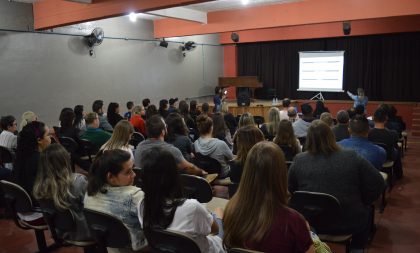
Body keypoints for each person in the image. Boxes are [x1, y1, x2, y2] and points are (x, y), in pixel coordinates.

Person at [288, 120, 384, 251]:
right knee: (366, 213)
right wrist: (364, 201)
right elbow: (378, 182)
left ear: (309, 139)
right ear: (331, 136)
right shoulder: (351, 156)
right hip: (349, 222)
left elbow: (292, 190)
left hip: (312, 222)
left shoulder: (299, 160)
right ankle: (357, 248)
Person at [224, 141, 315, 253]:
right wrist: (304, 230)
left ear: (247, 171)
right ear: (281, 173)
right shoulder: (293, 221)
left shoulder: (230, 210)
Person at [138, 147, 225, 253]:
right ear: (174, 174)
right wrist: (218, 218)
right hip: (208, 249)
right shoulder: (192, 207)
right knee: (220, 214)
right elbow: (214, 230)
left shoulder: (142, 204)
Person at [84, 149, 147, 252]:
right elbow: (154, 230)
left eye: (133, 169)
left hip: (110, 247)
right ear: (110, 177)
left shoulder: (90, 192)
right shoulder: (135, 196)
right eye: (128, 172)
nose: (134, 174)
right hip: (138, 248)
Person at [33, 144, 90, 241]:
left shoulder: (39, 186)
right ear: (65, 160)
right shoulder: (78, 181)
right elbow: (92, 209)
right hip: (82, 232)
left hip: (58, 230)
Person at [134, 115, 205, 176]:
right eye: (165, 125)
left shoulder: (139, 147)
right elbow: (190, 168)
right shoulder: (171, 150)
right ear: (163, 131)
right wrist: (202, 171)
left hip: (144, 189)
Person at [12, 121, 51, 225]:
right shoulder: (40, 161)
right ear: (39, 140)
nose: (50, 138)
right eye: (48, 135)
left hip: (22, 210)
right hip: (38, 213)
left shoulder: (20, 157)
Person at [368, 107, 402, 179]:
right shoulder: (393, 134)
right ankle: (399, 173)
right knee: (396, 149)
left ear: (373, 118)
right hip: (388, 157)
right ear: (386, 119)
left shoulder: (367, 133)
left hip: (371, 156)